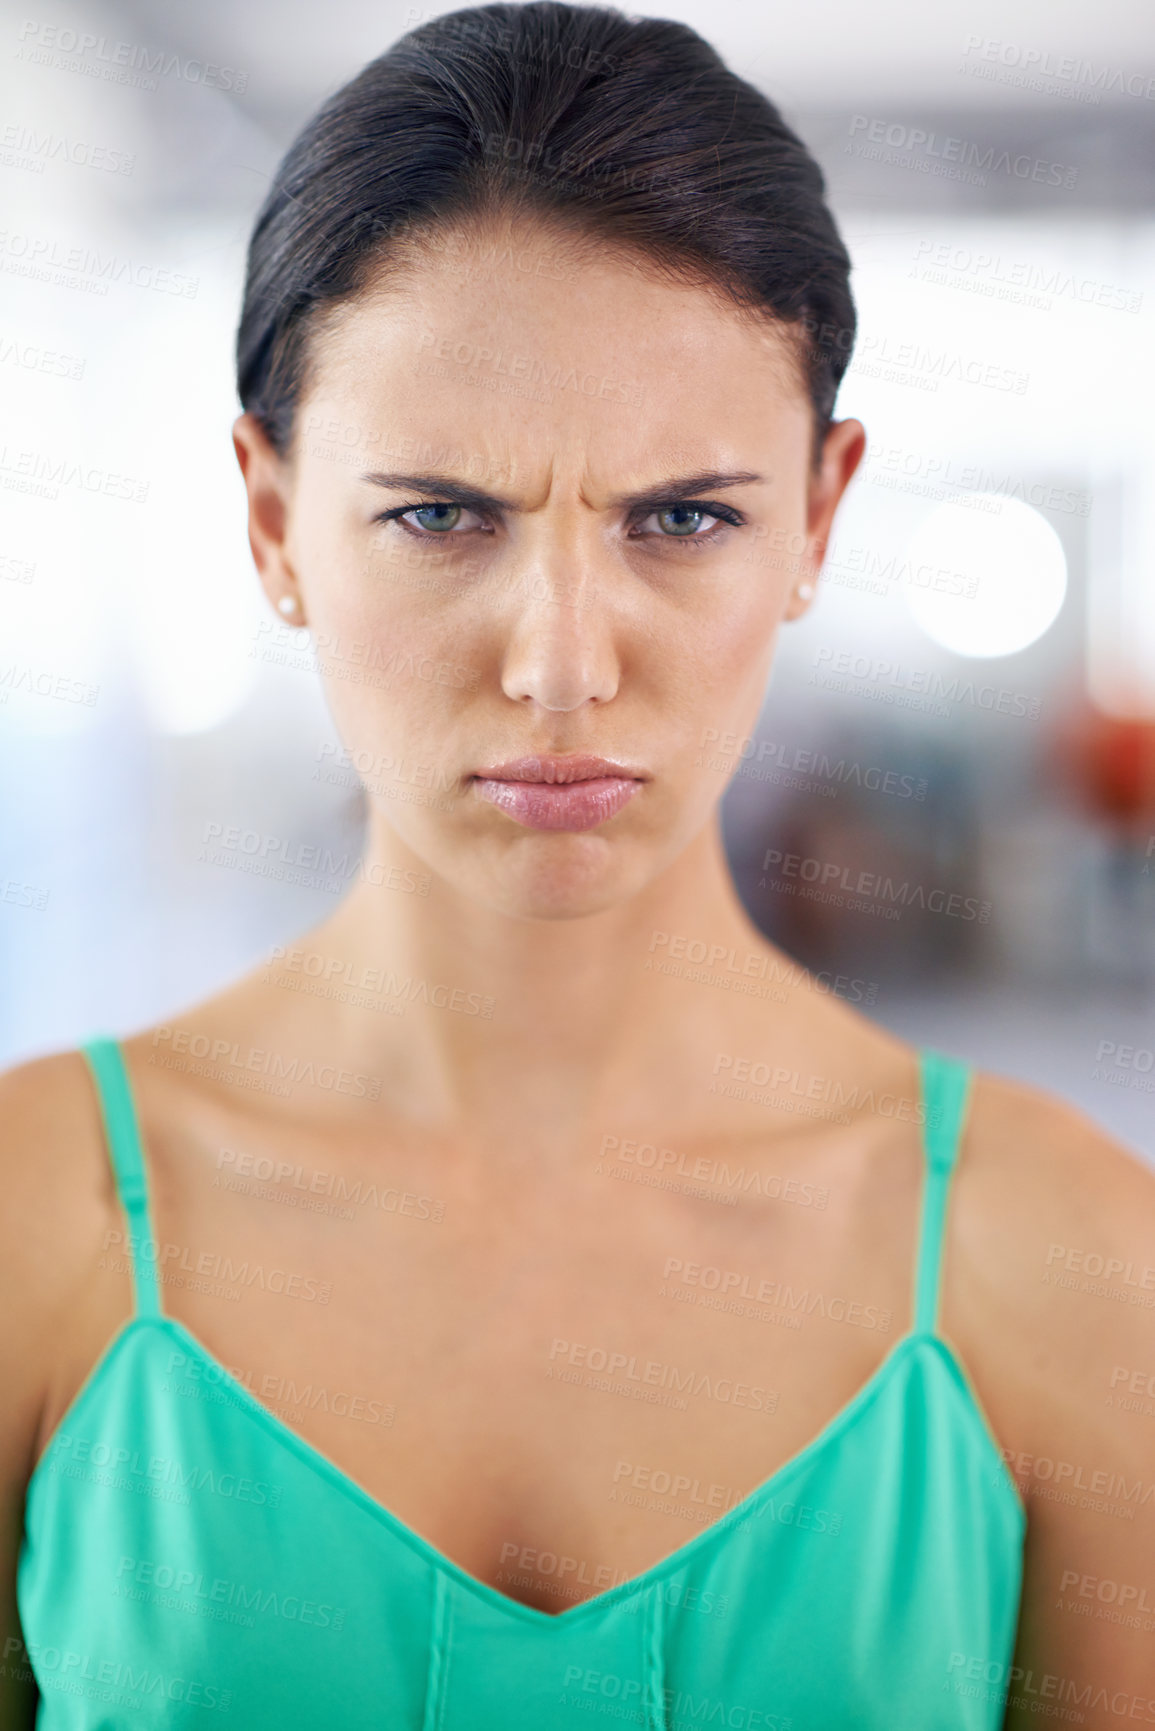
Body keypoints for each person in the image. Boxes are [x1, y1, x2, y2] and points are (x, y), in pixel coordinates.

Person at [2, 4, 1152, 1726]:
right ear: (271, 523)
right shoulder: (34, 1230)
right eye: (441, 514)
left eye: (683, 517)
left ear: (818, 525)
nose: (558, 666)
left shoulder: (1071, 1260)